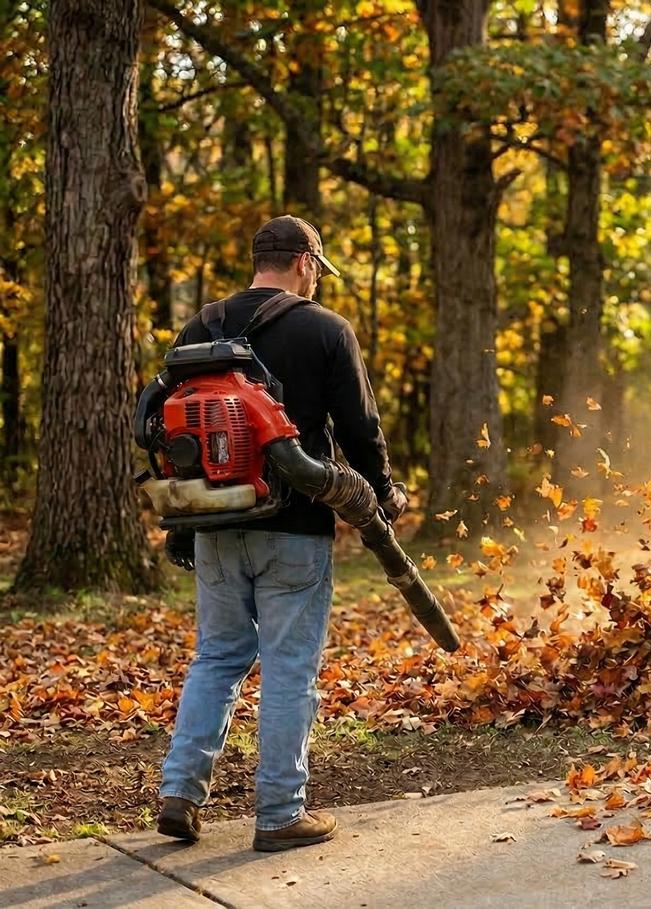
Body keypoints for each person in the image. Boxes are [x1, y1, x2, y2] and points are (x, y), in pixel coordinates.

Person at [156, 215, 408, 851]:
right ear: (303, 263)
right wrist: (380, 492)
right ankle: (279, 814)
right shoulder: (326, 330)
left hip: (214, 520)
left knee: (216, 656)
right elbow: (359, 427)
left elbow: (167, 430)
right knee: (291, 668)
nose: (318, 282)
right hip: (295, 525)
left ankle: (179, 792)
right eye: (318, 271)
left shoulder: (200, 329)